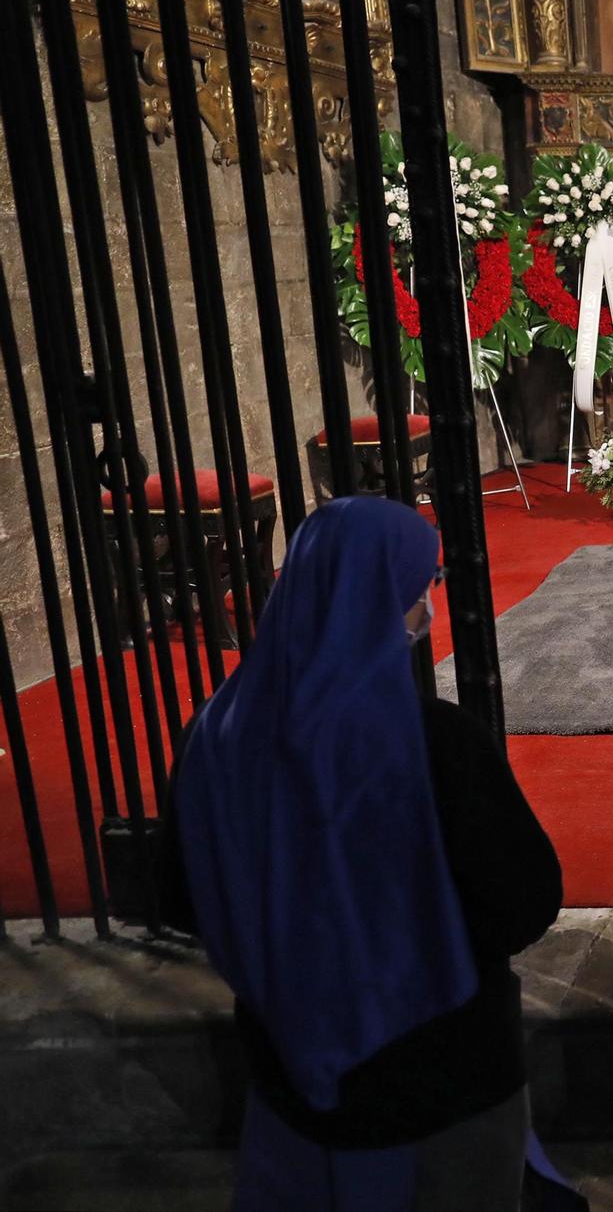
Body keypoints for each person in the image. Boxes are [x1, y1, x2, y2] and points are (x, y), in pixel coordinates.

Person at [157, 496, 565, 1211]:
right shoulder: (434, 741)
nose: (427, 608)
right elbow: (524, 899)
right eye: (420, 587)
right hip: (446, 1084)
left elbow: (180, 896)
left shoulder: (213, 736)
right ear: (382, 596)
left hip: (290, 1081)